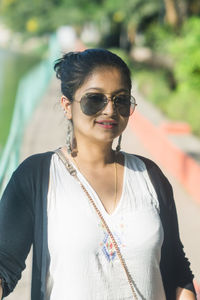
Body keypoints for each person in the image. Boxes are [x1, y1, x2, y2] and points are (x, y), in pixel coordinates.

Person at [0, 49, 196, 300]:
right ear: (67, 105)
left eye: (121, 99)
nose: (109, 110)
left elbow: (176, 271)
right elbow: (4, 265)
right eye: (95, 99)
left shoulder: (150, 176)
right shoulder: (37, 176)